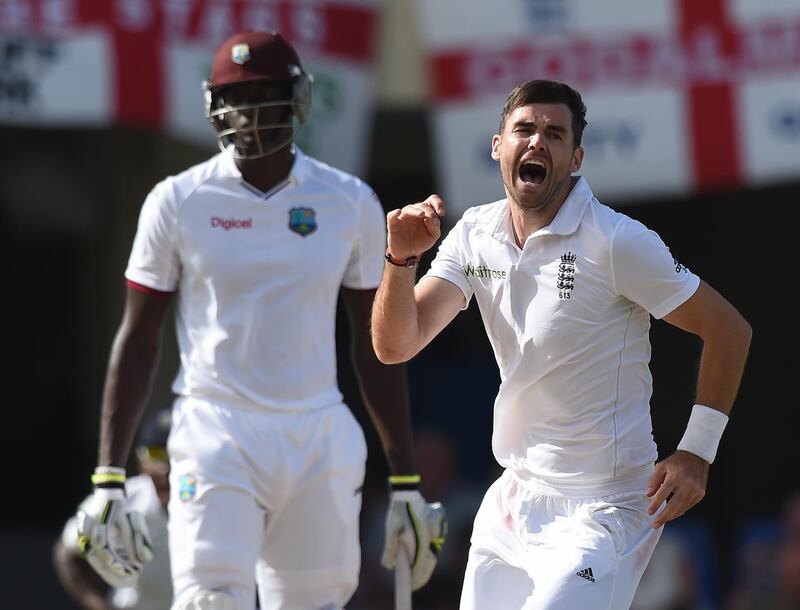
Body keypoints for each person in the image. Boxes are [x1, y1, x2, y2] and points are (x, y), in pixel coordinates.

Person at [75, 31, 446, 610]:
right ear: (213, 104)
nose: (248, 113)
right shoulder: (177, 200)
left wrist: (405, 482)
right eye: (236, 97)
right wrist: (107, 476)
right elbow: (138, 339)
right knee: (210, 601)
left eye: (265, 94)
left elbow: (377, 346)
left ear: (297, 99)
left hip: (316, 432)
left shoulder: (348, 201)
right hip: (214, 429)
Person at [371, 79, 751, 609]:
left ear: (575, 158)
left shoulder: (618, 240)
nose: (536, 142)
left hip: (604, 510)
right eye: (524, 129)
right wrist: (399, 260)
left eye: (554, 134)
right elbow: (396, 346)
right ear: (497, 146)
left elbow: (729, 329)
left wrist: (697, 452)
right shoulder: (473, 233)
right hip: (512, 500)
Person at [55, 409, 172, 610]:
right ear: (140, 461)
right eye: (156, 454)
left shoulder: (215, 501)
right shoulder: (124, 500)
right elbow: (67, 552)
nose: (166, 466)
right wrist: (100, 605)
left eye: (173, 455)